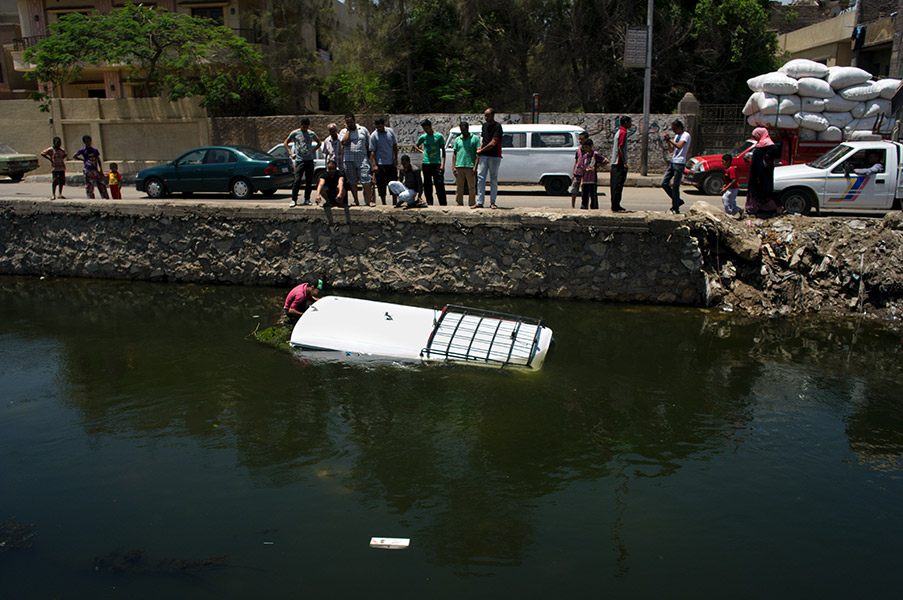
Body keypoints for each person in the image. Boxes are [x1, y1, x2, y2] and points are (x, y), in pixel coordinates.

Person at [284, 117, 320, 207]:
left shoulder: (311, 133)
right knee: (297, 180)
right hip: (300, 160)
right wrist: (291, 153)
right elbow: (286, 142)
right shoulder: (295, 133)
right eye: (304, 127)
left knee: (309, 181)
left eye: (307, 127)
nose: (305, 128)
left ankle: (307, 199)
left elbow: (319, 142)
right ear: (301, 125)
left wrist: (313, 150)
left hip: (309, 160)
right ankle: (294, 199)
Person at [339, 113, 373, 206]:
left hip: (362, 159)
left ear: (354, 121)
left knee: (365, 179)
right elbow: (344, 142)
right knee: (352, 180)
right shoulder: (343, 132)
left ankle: (369, 200)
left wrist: (367, 157)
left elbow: (368, 145)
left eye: (351, 122)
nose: (350, 124)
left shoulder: (363, 130)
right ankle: (356, 200)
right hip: (349, 159)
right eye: (348, 122)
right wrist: (348, 131)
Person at [746, 127, 779, 217]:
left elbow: (768, 159)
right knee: (755, 189)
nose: (755, 138)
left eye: (755, 136)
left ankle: (766, 210)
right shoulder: (760, 145)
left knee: (763, 190)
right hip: (756, 173)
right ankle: (756, 209)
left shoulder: (769, 147)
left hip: (763, 175)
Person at [473, 107, 503, 209]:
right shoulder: (484, 126)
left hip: (494, 156)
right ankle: (480, 201)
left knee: (493, 179)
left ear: (492, 115)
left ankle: (492, 202)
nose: (486, 117)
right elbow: (484, 140)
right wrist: (480, 149)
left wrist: (482, 150)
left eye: (487, 115)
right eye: (485, 115)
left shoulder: (497, 127)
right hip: (484, 155)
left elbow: (493, 142)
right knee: (480, 178)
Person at [415, 119, 447, 206]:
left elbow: (443, 151)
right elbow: (416, 145)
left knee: (439, 185)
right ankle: (430, 203)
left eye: (427, 128)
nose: (426, 130)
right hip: (426, 163)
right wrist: (422, 151)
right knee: (427, 185)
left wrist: (442, 164)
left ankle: (443, 204)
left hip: (436, 163)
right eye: (424, 129)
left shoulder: (439, 136)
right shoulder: (423, 137)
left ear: (430, 126)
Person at [661, 119, 690, 214]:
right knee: (664, 183)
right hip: (673, 161)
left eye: (675, 129)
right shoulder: (677, 136)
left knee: (675, 186)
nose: (674, 131)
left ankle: (675, 207)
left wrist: (670, 139)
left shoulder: (685, 135)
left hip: (680, 163)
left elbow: (679, 146)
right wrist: (668, 142)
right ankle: (677, 201)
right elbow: (671, 150)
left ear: (679, 127)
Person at [368, 117, 398, 205]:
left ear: (384, 124)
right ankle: (384, 203)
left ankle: (395, 202)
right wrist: (374, 165)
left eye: (380, 126)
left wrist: (395, 159)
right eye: (377, 127)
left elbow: (395, 146)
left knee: (393, 184)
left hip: (391, 163)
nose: (379, 128)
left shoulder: (390, 132)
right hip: (380, 164)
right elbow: (372, 151)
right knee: (381, 185)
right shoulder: (373, 135)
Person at [452, 121, 480, 206]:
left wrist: (475, 167)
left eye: (464, 129)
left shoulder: (475, 139)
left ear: (467, 129)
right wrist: (454, 167)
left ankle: (472, 203)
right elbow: (454, 154)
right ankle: (459, 203)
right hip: (459, 165)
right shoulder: (458, 139)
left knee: (471, 187)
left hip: (470, 166)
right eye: (461, 130)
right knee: (459, 187)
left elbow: (478, 154)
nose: (463, 131)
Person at [73, 135, 108, 199]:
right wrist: (83, 160)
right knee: (89, 185)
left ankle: (105, 197)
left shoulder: (94, 150)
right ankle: (90, 198)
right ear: (84, 142)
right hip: (88, 169)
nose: (88, 143)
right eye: (87, 141)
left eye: (89, 141)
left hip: (95, 169)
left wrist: (101, 169)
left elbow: (98, 159)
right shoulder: (83, 150)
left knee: (101, 184)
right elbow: (74, 156)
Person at [577, 139, 608, 210]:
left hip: (592, 179)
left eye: (587, 147)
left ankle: (594, 208)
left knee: (593, 195)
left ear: (591, 146)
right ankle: (584, 207)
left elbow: (606, 161)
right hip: (585, 179)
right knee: (584, 196)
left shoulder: (595, 154)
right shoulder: (585, 156)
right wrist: (582, 180)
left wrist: (598, 166)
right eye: (585, 147)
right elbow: (583, 168)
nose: (586, 149)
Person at [609, 116, 631, 213]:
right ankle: (615, 206)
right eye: (629, 122)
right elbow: (620, 147)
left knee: (616, 185)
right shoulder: (623, 132)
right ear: (625, 122)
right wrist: (624, 162)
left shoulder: (619, 132)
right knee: (618, 185)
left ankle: (616, 204)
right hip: (618, 163)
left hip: (616, 163)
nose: (630, 124)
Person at [570, 130, 590, 209]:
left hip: (585, 173)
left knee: (584, 191)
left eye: (582, 139)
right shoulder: (578, 150)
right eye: (579, 139)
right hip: (577, 172)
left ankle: (584, 205)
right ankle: (572, 206)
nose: (580, 141)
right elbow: (576, 162)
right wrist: (573, 173)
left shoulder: (588, 152)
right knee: (574, 190)